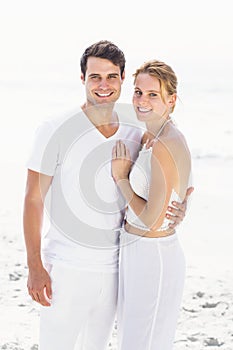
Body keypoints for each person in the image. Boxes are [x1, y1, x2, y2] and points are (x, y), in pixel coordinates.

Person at [23, 40, 193, 350]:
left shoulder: (135, 128)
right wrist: (35, 265)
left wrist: (181, 205)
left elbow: (169, 168)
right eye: (95, 77)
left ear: (123, 78)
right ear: (82, 79)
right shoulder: (54, 128)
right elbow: (33, 199)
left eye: (111, 76)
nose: (103, 85)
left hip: (116, 269)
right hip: (66, 268)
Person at [111, 59, 192, 349]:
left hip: (153, 255)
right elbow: (189, 185)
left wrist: (121, 178)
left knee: (142, 342)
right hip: (136, 250)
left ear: (171, 100)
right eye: (137, 92)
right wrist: (183, 204)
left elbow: (152, 220)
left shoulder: (166, 143)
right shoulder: (150, 134)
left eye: (152, 95)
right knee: (133, 339)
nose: (142, 101)